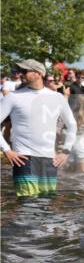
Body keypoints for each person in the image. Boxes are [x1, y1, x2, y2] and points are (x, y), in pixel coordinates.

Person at [0, 60, 77, 196]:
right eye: (20, 71)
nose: (20, 74)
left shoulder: (57, 97)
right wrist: (7, 150)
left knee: (46, 206)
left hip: (49, 159)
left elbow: (72, 125)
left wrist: (65, 151)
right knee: (28, 205)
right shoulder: (13, 97)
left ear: (38, 73)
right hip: (23, 158)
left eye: (24, 71)